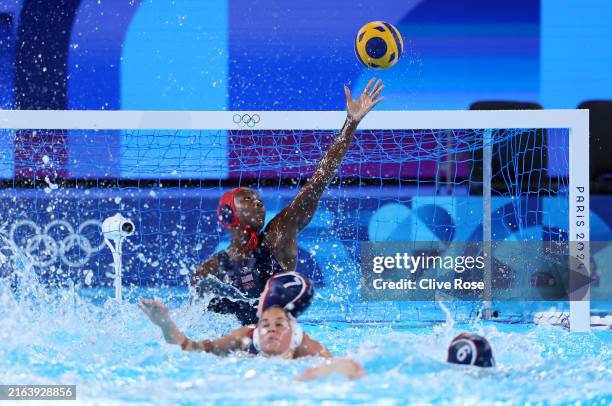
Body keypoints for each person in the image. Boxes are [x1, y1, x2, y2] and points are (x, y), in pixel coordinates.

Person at [190, 79, 385, 324]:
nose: (258, 203)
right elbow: (192, 320)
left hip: (279, 336)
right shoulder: (210, 269)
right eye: (248, 200)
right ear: (228, 214)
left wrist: (351, 122)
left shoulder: (277, 237)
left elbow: (317, 182)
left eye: (259, 199)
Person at [139, 272, 365, 381]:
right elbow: (189, 348)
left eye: (279, 324)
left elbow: (352, 370)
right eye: (265, 324)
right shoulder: (244, 338)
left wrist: (306, 377)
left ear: (293, 332)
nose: (271, 329)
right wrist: (165, 323)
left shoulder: (306, 349)